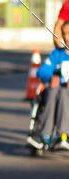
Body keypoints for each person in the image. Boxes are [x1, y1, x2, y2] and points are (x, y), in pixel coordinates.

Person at [27, 20, 69, 151]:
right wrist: (51, 77)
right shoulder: (57, 54)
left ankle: (63, 135)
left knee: (62, 92)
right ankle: (45, 135)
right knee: (54, 90)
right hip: (56, 92)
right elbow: (42, 70)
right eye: (64, 34)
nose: (66, 37)